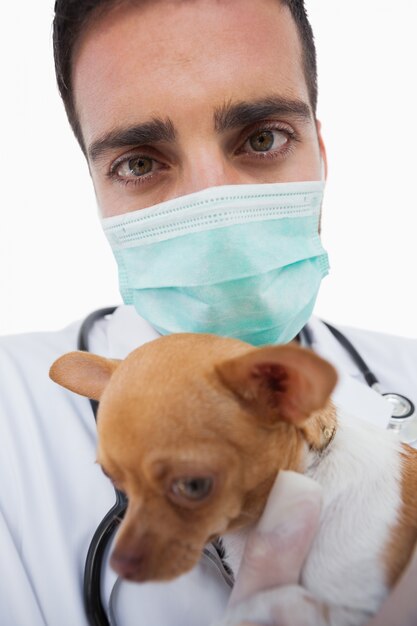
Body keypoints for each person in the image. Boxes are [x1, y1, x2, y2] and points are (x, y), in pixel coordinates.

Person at [1, 1, 416, 625]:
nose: (214, 206)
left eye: (263, 138)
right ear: (94, 188)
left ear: (321, 155)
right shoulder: (13, 420)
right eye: (139, 161)